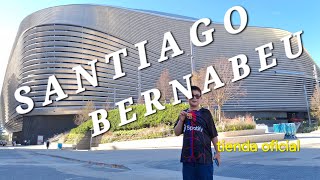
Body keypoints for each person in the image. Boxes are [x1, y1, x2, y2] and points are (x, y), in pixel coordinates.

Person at [174, 86, 221, 180]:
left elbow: (214, 135)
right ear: (188, 98)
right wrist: (181, 120)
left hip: (204, 159)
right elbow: (177, 132)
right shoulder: (183, 114)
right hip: (188, 160)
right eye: (192, 96)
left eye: (197, 96)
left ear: (200, 98)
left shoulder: (205, 114)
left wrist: (218, 152)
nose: (194, 98)